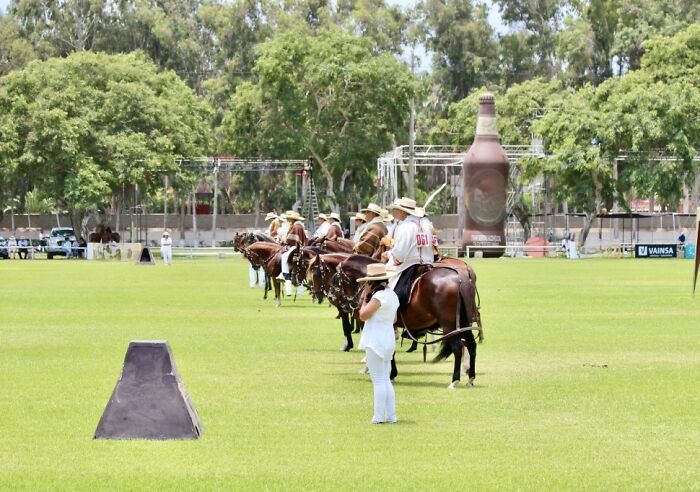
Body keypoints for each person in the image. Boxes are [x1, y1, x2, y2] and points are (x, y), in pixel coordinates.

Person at [357, 263, 400, 425]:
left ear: (372, 283)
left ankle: (378, 416)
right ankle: (391, 415)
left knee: (379, 380)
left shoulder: (378, 297)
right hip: (387, 339)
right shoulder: (392, 295)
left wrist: (364, 297)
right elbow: (394, 319)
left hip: (375, 341)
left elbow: (363, 315)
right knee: (385, 379)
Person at [383, 197, 432, 297]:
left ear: (402, 211)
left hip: (408, 266)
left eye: (395, 209)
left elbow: (399, 255)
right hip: (428, 263)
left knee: (385, 290)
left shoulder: (406, 226)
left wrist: (388, 254)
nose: (394, 212)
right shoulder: (426, 225)